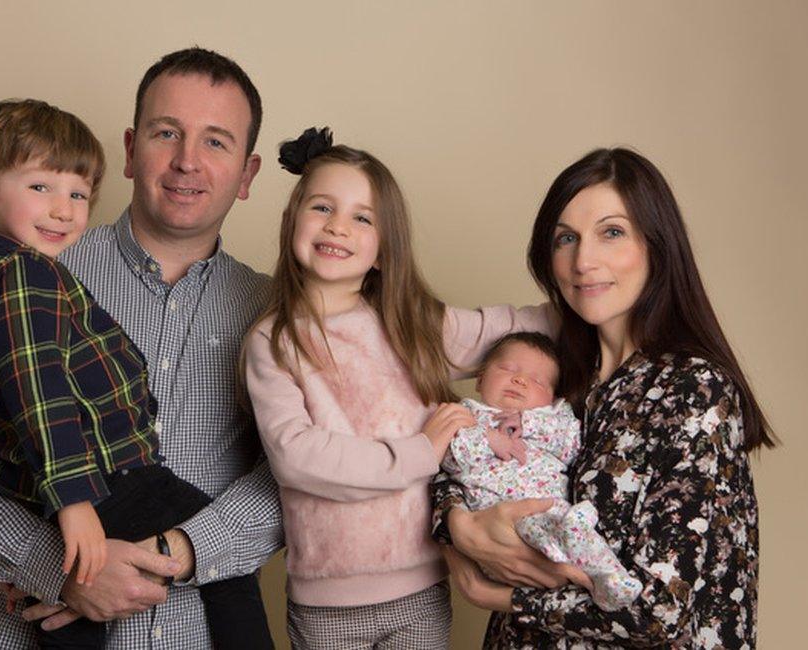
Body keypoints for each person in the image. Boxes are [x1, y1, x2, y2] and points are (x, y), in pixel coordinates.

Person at [0, 48, 283, 649]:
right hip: (33, 626)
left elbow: (297, 474)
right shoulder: (34, 266)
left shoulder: (278, 311)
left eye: (216, 142)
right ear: (132, 150)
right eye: (168, 133)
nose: (187, 161)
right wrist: (54, 563)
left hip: (196, 632)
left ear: (247, 174)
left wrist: (182, 551)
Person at [433, 148, 774, 647]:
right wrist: (456, 527)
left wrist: (499, 596)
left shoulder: (691, 389)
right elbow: (463, 449)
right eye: (565, 238)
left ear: (656, 245)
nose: (583, 261)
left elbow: (660, 608)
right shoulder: (558, 377)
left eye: (611, 232)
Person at [242, 127, 551, 649]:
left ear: (385, 250)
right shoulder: (273, 341)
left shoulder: (410, 323)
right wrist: (419, 452)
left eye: (362, 218)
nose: (338, 226)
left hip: (421, 588)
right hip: (326, 601)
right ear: (293, 219)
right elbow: (297, 456)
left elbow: (510, 326)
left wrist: (597, 299)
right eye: (322, 207)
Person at [440, 331, 642, 611]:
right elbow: (449, 458)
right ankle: (567, 552)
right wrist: (488, 437)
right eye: (507, 369)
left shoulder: (554, 416)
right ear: (480, 379)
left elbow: (573, 447)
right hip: (499, 521)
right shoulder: (466, 416)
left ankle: (611, 579)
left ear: (552, 396)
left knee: (578, 533)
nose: (520, 380)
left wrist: (530, 423)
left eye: (536, 380)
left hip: (551, 506)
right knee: (541, 537)